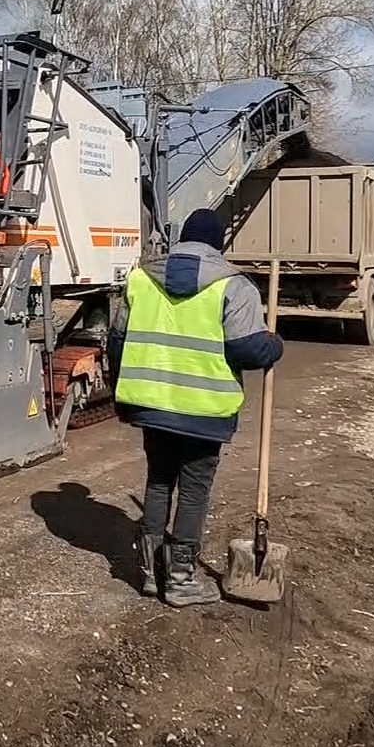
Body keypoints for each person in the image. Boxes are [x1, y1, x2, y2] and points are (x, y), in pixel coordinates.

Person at [108, 208, 284, 606]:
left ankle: (152, 573)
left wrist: (120, 387)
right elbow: (247, 349)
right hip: (204, 410)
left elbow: (117, 342)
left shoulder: (140, 278)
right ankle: (182, 578)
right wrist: (274, 344)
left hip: (151, 404)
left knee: (158, 481)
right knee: (193, 491)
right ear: (218, 243)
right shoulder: (234, 286)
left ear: (181, 240)